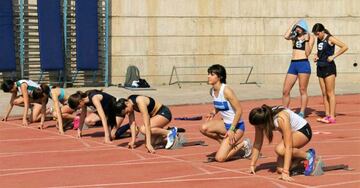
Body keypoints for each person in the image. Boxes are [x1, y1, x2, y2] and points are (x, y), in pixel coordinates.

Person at [248, 104, 316, 181]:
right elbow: (257, 143)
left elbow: (288, 146)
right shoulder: (261, 119)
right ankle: (298, 158)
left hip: (303, 131)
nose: (258, 128)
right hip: (291, 133)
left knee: (280, 150)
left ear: (265, 122)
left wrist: (286, 172)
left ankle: (309, 155)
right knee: (280, 169)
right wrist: (252, 165)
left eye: (259, 126)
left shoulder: (281, 119)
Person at [200, 64, 252, 162]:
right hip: (225, 124)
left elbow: (239, 110)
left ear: (220, 77)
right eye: (208, 74)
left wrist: (232, 129)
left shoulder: (227, 91)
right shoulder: (212, 91)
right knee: (203, 128)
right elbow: (219, 105)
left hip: (236, 127)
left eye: (212, 74)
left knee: (220, 158)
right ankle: (226, 144)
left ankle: (244, 144)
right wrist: (213, 113)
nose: (208, 76)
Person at [312, 23, 348, 124]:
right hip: (320, 66)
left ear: (322, 31)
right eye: (315, 34)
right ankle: (327, 115)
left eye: (317, 33)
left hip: (329, 67)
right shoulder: (319, 39)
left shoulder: (330, 38)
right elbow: (320, 51)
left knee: (330, 92)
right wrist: (316, 55)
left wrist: (334, 56)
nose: (316, 35)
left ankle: (332, 116)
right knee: (324, 93)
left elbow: (345, 47)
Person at [283, 19, 315, 118]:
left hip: (303, 63)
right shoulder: (294, 36)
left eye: (299, 27)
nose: (298, 29)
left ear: (303, 28)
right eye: (297, 27)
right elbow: (285, 36)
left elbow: (308, 53)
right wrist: (293, 24)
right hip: (293, 64)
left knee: (302, 89)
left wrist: (305, 40)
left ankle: (302, 112)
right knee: (285, 90)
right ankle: (285, 110)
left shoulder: (310, 36)